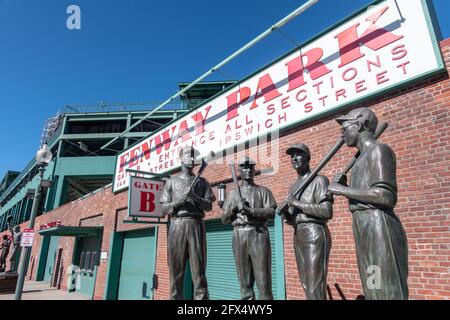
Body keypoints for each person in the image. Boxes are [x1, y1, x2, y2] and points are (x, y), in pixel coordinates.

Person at [328, 107, 409, 300]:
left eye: (345, 127)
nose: (342, 133)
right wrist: (347, 187)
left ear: (359, 125)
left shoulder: (379, 150)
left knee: (386, 289)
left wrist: (342, 190)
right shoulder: (360, 159)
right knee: (373, 285)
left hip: (379, 226)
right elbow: (364, 194)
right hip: (363, 225)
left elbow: (385, 196)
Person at [159, 146, 216, 300]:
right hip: (177, 224)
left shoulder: (202, 182)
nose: (191, 159)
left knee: (199, 272)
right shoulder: (171, 181)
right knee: (176, 271)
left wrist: (195, 197)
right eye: (188, 155)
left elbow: (209, 206)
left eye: (193, 156)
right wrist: (177, 203)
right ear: (180, 158)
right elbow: (164, 209)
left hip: (196, 224)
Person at [281, 143, 333, 300]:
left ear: (307, 157)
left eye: (298, 154)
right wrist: (286, 214)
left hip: (314, 232)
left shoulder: (319, 180)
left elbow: (326, 211)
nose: (294, 158)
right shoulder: (293, 187)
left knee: (314, 284)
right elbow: (292, 219)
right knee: (305, 283)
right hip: (298, 234)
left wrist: (296, 203)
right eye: (292, 156)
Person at [222, 157, 277, 300]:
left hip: (258, 233)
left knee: (263, 282)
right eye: (244, 168)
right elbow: (224, 219)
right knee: (244, 283)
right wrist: (234, 208)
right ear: (239, 170)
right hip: (239, 234)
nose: (247, 170)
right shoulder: (233, 194)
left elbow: (271, 212)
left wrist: (251, 211)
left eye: (250, 168)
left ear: (254, 170)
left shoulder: (263, 191)